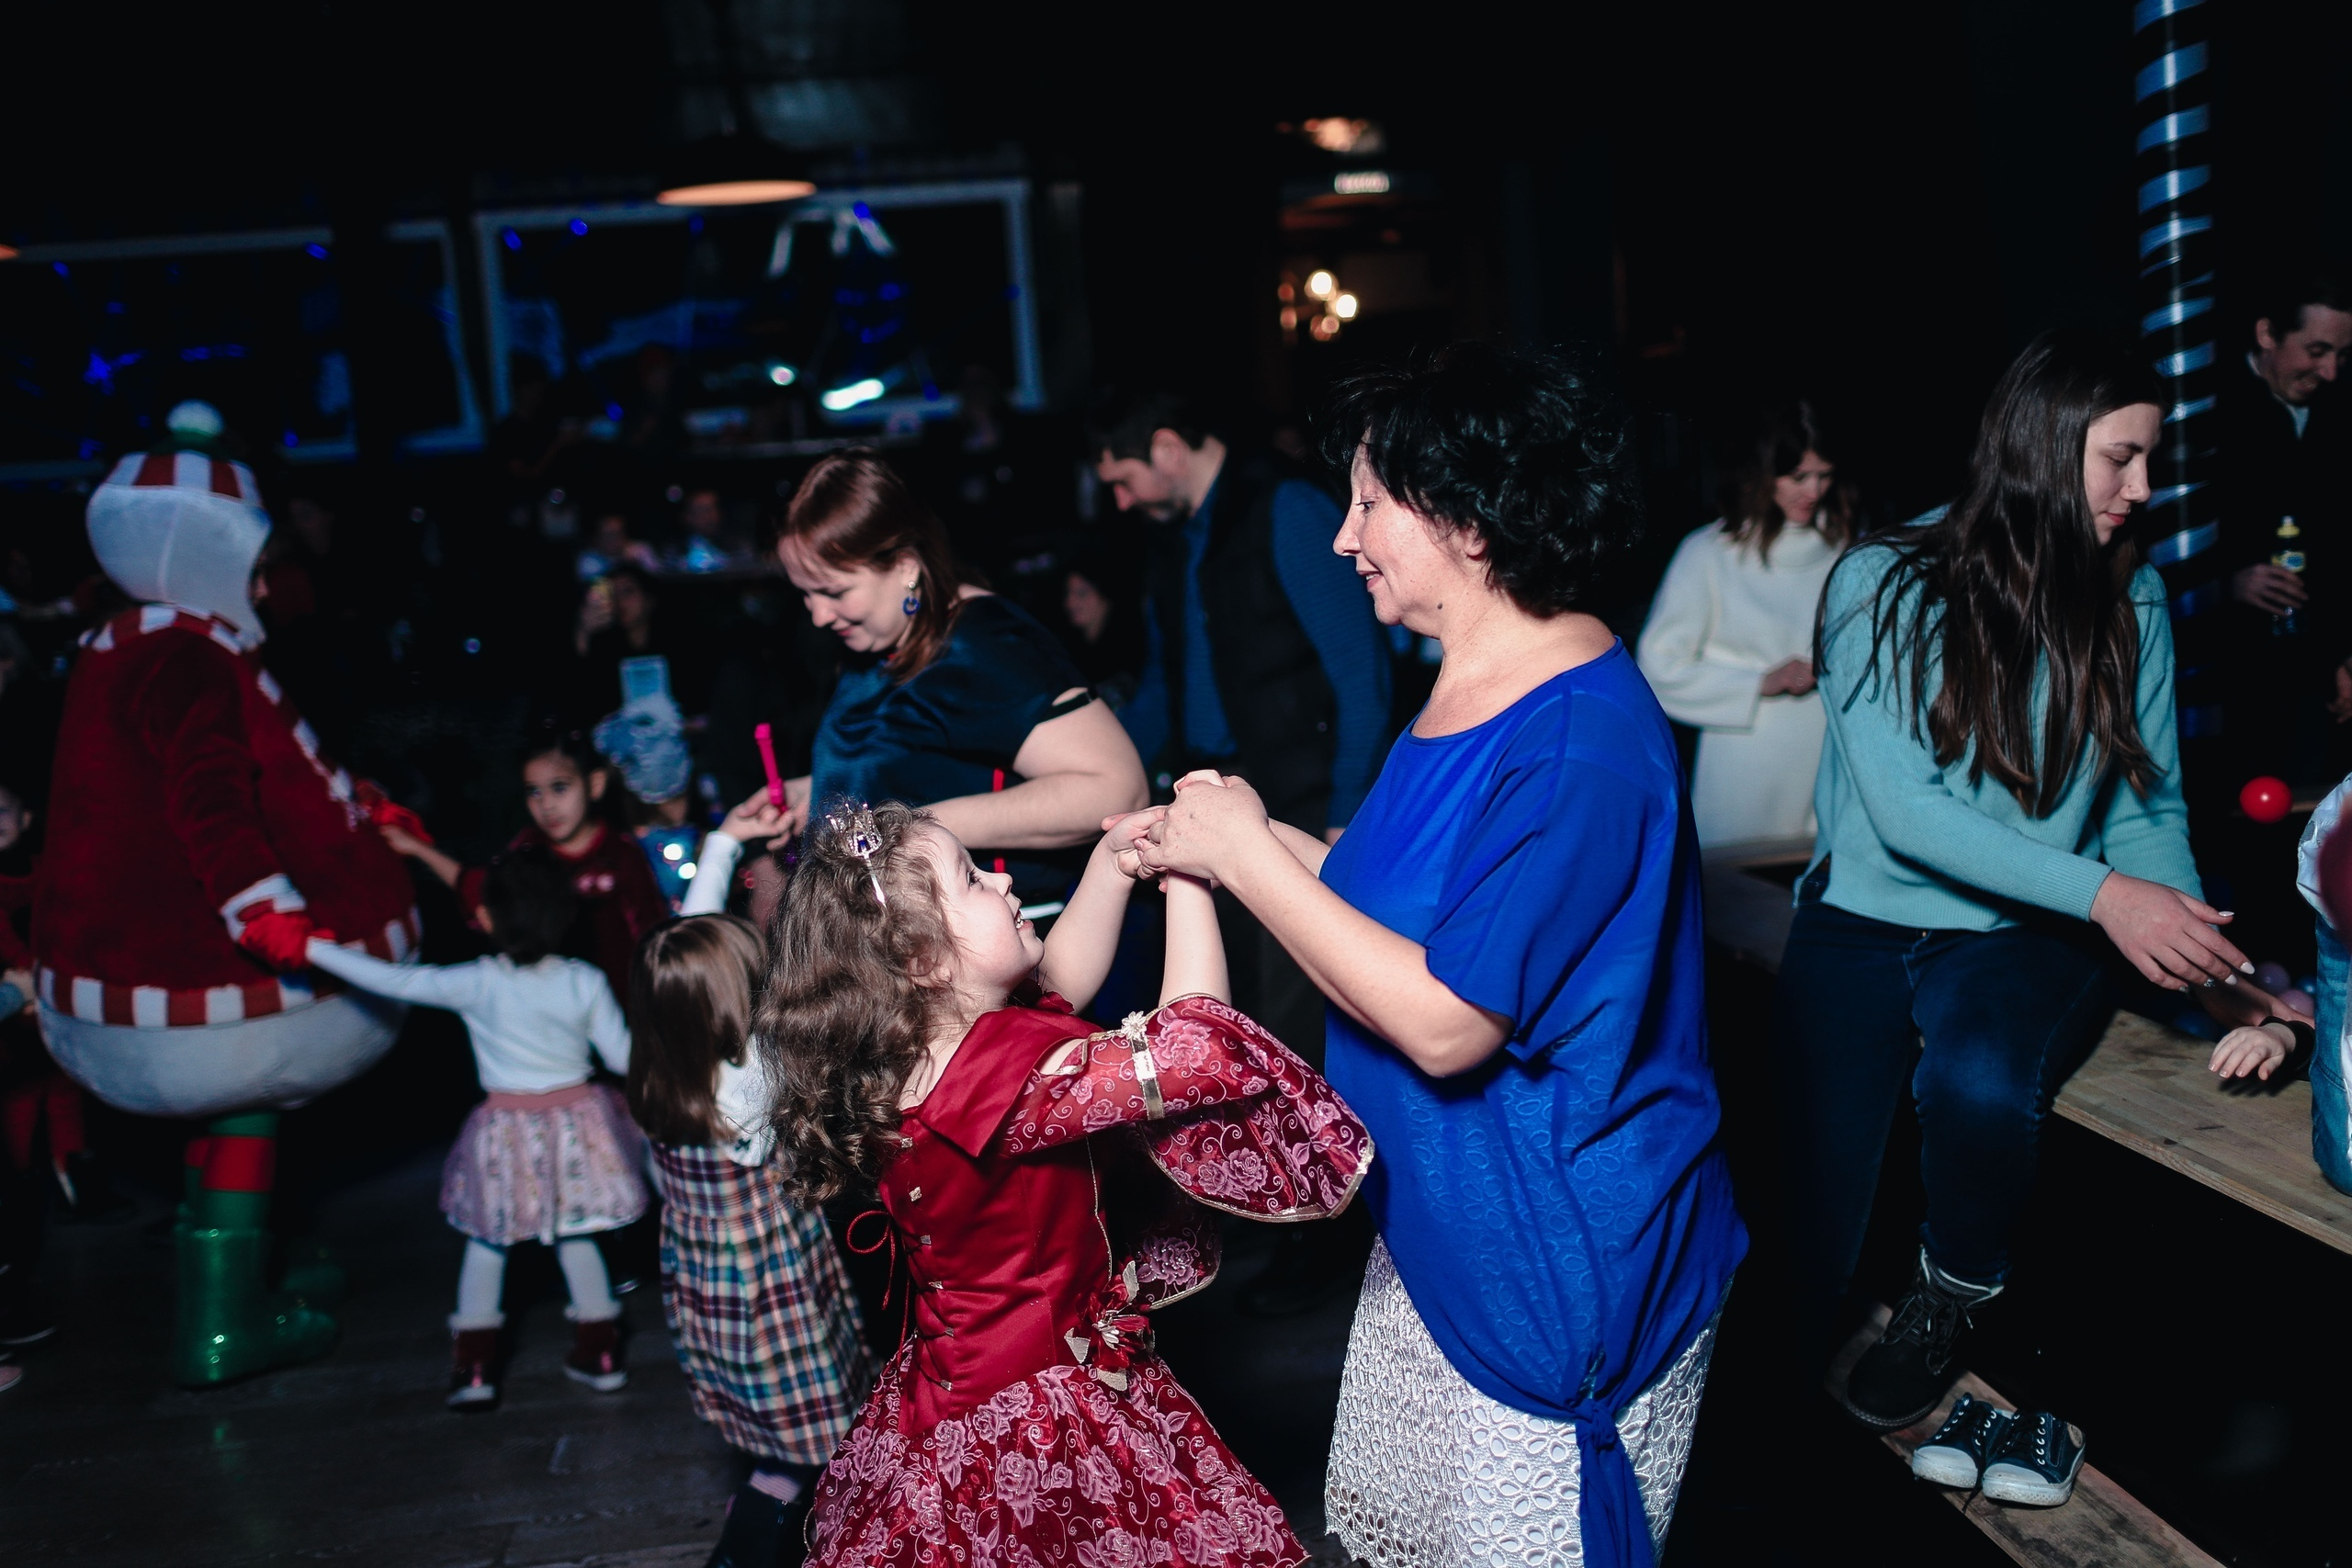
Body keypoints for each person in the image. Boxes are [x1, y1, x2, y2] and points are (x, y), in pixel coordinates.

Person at [1132, 344, 1746, 1568]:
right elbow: (1400, 903)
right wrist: (1241, 833)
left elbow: (1450, 1018)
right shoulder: (1477, 680)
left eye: (1369, 503)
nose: (1343, 537)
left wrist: (1248, 856)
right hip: (1446, 1235)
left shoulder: (1573, 738)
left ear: (1469, 521)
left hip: (1556, 1266)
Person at [1779, 332, 2300, 1433]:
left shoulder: (2133, 595)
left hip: (2024, 926)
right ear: (2041, 445)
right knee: (1808, 1222)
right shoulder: (1883, 578)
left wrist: (2209, 962)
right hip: (1860, 922)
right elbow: (1908, 811)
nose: (2142, 488)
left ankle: (1948, 1300)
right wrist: (2109, 897)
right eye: (2120, 457)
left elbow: (2144, 808)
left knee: (1977, 1083)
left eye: (2150, 459)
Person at [760, 799, 1371, 1568]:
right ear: (923, 960)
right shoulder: (997, 1088)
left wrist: (1111, 863)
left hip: (957, 1393)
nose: (1002, 879)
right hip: (1037, 1410)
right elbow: (1191, 1049)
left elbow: (1060, 986)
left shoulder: (928, 1051)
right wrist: (1191, 876)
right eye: (972, 878)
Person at [34, 414, 422, 1387]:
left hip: (121, 952)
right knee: (245, 1107)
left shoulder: (121, 645)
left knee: (232, 1116)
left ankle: (253, 1267)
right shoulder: (187, 658)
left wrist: (354, 805)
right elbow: (208, 793)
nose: (261, 589)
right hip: (196, 960)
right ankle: (224, 1318)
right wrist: (259, 904)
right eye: (250, 567)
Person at [1089, 389, 1392, 1066]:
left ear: (1168, 450)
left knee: (1296, 1016)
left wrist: (1344, 813)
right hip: (1214, 793)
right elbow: (1163, 683)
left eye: (1124, 479)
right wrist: (1101, 770)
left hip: (1303, 797)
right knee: (1235, 1005)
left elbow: (1360, 675)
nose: (1121, 501)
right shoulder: (1169, 538)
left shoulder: (1284, 507)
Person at [307, 849, 645, 1410]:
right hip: (578, 1128)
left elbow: (393, 980)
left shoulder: (478, 982)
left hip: (506, 1132)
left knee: (488, 1242)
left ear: (486, 918)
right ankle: (601, 1352)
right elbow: (623, 1058)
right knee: (578, 1233)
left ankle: (475, 1368)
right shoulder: (582, 980)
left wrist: (310, 947)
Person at [769, 449, 1148, 908]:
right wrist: (823, 792)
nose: (818, 615)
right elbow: (925, 758)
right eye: (805, 594)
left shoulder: (982, 645)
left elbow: (1115, 788)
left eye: (834, 591)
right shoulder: (876, 637)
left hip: (986, 936)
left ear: (906, 567)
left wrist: (909, 827)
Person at [625, 913, 872, 1568]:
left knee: (775, 1426)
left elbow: (681, 964)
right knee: (809, 1447)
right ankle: (752, 1548)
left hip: (708, 1283)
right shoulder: (752, 1079)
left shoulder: (656, 1069)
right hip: (771, 1289)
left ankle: (772, 1511)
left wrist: (720, 858)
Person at [1637, 399, 1852, 845]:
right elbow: (1659, 665)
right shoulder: (1711, 553)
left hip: (1833, 758)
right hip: (1747, 765)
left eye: (1825, 475)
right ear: (1763, 472)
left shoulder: (1849, 550)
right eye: (1798, 477)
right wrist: (1758, 682)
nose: (1814, 491)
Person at [384, 729, 669, 1005]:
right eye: (534, 792)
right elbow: (483, 892)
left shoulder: (622, 854)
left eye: (559, 787)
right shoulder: (528, 849)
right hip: (548, 1007)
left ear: (594, 784)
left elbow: (654, 935)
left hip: (622, 1003)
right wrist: (418, 848)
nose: (546, 805)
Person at [2213, 275, 2352, 784]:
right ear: (2266, 334)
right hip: (2234, 677)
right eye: (2316, 351)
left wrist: (2344, 658)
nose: (2330, 372)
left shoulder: (2340, 413)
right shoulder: (2205, 409)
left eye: (2342, 355)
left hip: (2320, 670)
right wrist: (2226, 582)